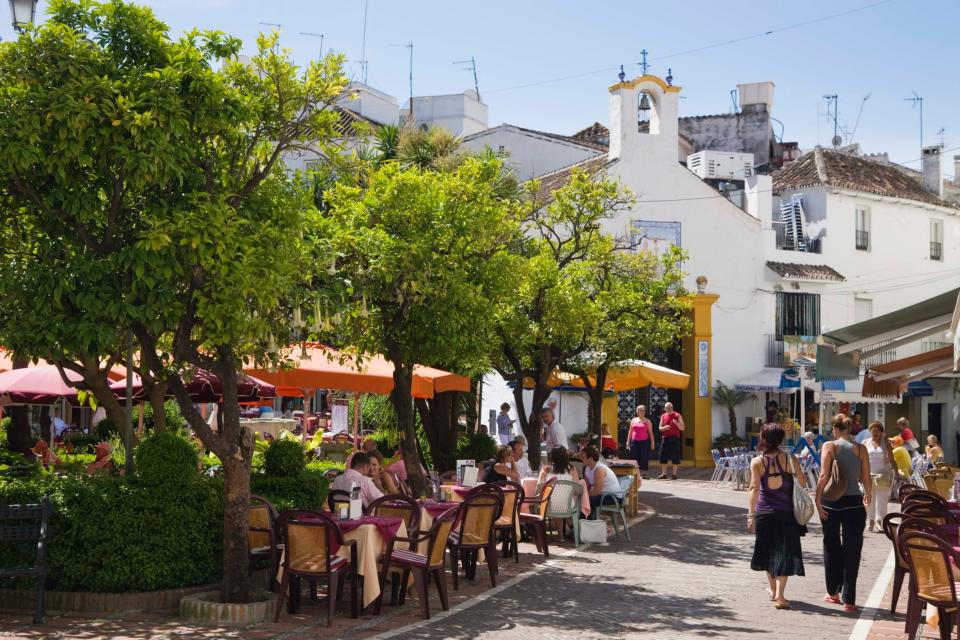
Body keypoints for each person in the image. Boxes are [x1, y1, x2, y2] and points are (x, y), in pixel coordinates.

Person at [815, 414, 871, 612]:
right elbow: (865, 477)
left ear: (835, 429)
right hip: (854, 503)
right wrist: (868, 495)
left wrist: (817, 498)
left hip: (832, 502)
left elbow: (824, 475)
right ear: (849, 429)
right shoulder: (861, 448)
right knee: (853, 549)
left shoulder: (829, 446)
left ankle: (833, 593)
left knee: (831, 544)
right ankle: (850, 600)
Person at [748, 423, 806, 610]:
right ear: (781, 439)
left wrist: (751, 514)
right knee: (784, 553)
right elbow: (803, 482)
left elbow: (754, 488)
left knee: (767, 552)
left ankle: (773, 591)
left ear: (763, 438)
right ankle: (780, 595)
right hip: (786, 514)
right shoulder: (790, 459)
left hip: (764, 514)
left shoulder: (757, 462)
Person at [863, 422, 895, 533]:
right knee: (869, 498)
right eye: (873, 431)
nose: (875, 433)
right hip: (869, 475)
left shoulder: (885, 443)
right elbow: (861, 459)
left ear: (882, 433)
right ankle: (870, 521)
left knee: (882, 499)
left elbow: (891, 459)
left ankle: (880, 521)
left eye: (877, 431)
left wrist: (897, 472)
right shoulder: (865, 443)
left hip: (883, 475)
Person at [580, 446, 622, 514]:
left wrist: (584, 496)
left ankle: (587, 522)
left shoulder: (599, 469)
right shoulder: (587, 468)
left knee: (585, 501)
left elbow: (597, 491)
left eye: (583, 457)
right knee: (582, 500)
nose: (581, 459)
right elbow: (586, 487)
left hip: (613, 497)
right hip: (603, 495)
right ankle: (584, 522)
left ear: (590, 459)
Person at [657, 402, 684, 480]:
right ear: (665, 409)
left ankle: (674, 474)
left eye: (671, 407)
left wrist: (676, 423)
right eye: (668, 408)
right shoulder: (663, 416)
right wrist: (665, 427)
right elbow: (660, 428)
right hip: (665, 438)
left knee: (675, 456)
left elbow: (682, 428)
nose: (670, 409)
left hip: (675, 438)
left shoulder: (677, 415)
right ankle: (664, 474)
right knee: (663, 455)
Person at [628, 405, 655, 479]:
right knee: (634, 456)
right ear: (637, 411)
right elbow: (630, 431)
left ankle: (643, 473)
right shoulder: (633, 420)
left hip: (644, 442)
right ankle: (635, 473)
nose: (642, 412)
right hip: (634, 441)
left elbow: (650, 432)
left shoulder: (647, 421)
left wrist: (652, 442)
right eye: (640, 410)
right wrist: (628, 441)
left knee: (644, 457)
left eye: (644, 410)